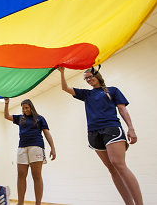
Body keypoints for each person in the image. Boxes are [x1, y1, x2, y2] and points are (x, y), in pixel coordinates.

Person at [58, 66, 143, 205]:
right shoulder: (86, 94)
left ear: (98, 76)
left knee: (118, 164)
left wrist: (131, 128)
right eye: (86, 78)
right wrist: (62, 73)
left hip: (111, 128)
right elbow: (65, 88)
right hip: (93, 133)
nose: (88, 80)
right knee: (111, 168)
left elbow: (122, 109)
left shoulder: (112, 90)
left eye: (90, 76)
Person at [3, 98, 55, 205]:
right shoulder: (20, 118)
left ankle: (38, 203)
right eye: (23, 108)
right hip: (22, 148)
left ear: (31, 107)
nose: (25, 110)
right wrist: (7, 103)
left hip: (36, 147)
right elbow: (6, 116)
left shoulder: (40, 118)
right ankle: (20, 202)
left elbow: (47, 133)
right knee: (21, 175)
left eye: (26, 108)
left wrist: (53, 148)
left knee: (36, 176)